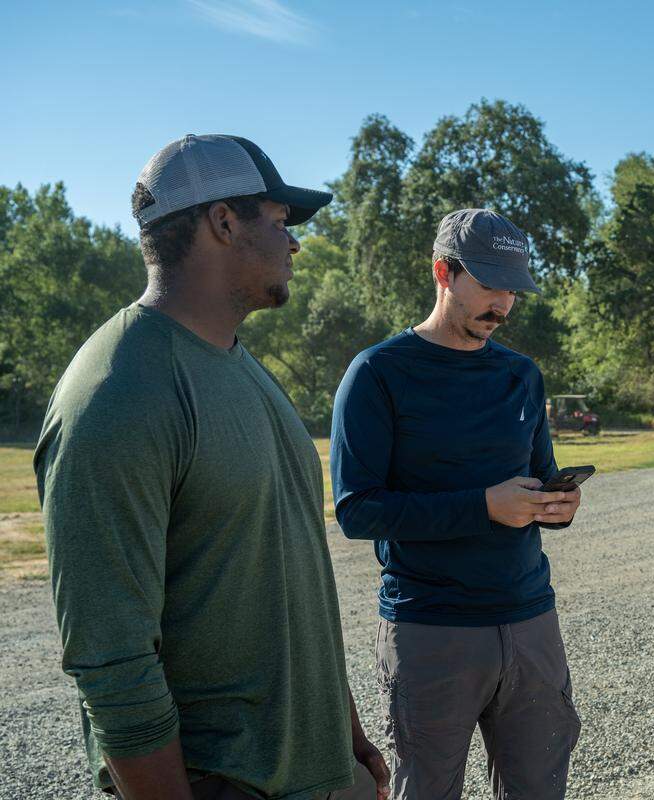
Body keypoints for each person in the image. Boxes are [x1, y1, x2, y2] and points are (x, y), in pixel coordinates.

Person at [34, 134, 389, 800]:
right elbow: (111, 660)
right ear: (223, 222)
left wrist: (347, 735)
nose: (295, 244)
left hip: (316, 773)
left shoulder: (242, 365)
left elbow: (288, 576)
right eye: (281, 222)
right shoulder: (118, 393)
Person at [330, 209, 584, 800]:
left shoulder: (522, 374)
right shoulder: (378, 373)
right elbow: (356, 510)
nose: (504, 304)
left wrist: (559, 504)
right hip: (431, 627)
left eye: (513, 289)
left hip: (530, 621)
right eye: (490, 285)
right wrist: (482, 507)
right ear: (444, 272)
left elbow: (541, 479)